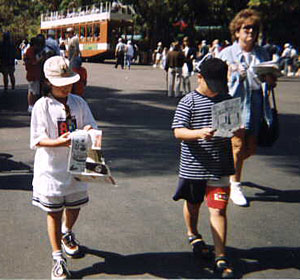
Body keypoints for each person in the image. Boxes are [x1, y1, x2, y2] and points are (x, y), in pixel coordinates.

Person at [30, 55, 97, 280]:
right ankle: (57, 256)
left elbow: (92, 125)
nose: (66, 86)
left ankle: (67, 233)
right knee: (54, 211)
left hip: (77, 163)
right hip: (51, 168)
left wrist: (88, 130)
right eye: (61, 83)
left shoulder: (79, 102)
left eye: (68, 82)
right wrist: (59, 141)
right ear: (49, 82)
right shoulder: (42, 105)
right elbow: (37, 140)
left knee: (75, 204)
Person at [172, 58, 236, 279]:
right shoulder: (188, 101)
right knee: (193, 204)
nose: (215, 90)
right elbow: (178, 131)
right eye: (212, 85)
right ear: (199, 78)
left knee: (218, 209)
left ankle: (221, 256)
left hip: (219, 166)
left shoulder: (227, 99)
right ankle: (194, 234)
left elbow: (233, 131)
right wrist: (199, 133)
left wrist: (237, 129)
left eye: (219, 85)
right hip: (193, 166)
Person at [218, 9, 277, 206]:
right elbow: (213, 77)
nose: (250, 32)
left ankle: (230, 167)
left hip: (256, 101)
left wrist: (270, 79)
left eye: (253, 28)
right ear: (237, 32)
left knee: (250, 147)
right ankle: (235, 185)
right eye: (246, 28)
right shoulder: (226, 53)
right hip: (233, 101)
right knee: (237, 144)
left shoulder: (262, 52)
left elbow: (270, 81)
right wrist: (230, 74)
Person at [24, 37, 44, 113]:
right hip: (32, 74)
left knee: (32, 91)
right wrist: (41, 58)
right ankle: (31, 106)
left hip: (34, 74)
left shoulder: (31, 51)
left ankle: (31, 106)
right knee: (33, 92)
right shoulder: (30, 51)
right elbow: (33, 62)